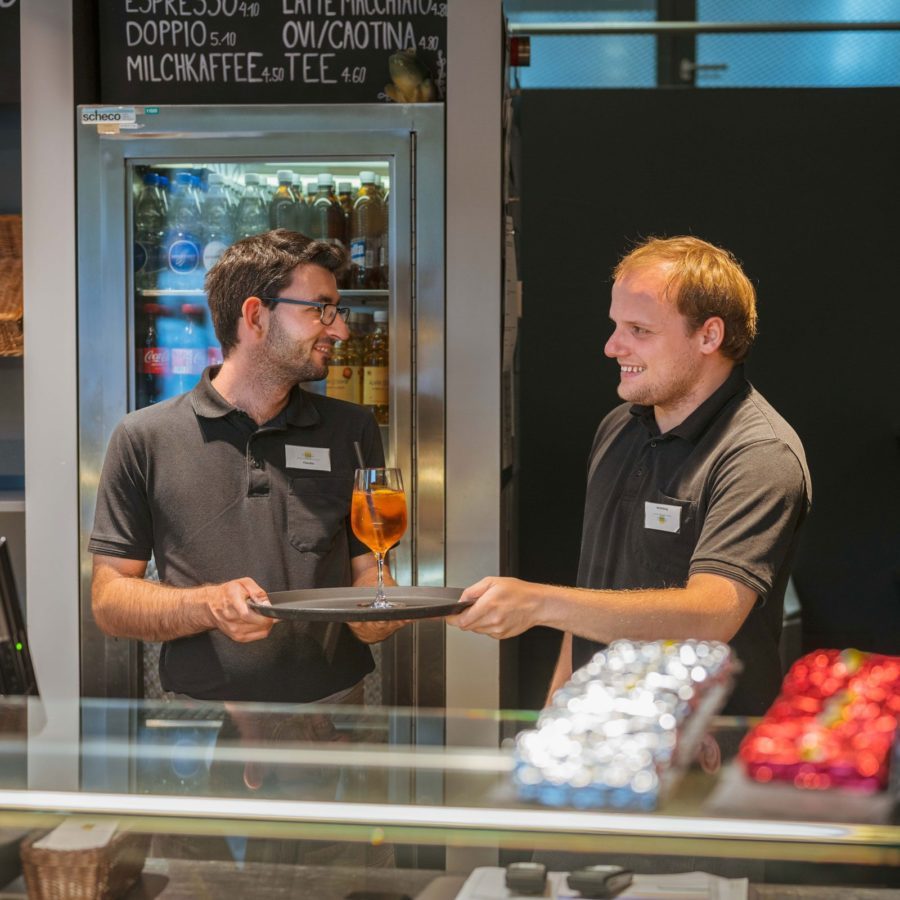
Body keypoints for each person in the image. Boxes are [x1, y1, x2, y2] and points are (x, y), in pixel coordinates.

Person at [453, 236, 811, 715]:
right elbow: (593, 592)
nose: (611, 347)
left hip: (702, 745)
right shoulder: (620, 425)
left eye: (639, 330)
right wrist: (556, 706)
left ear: (709, 336)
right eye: (615, 326)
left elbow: (713, 614)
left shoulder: (758, 453)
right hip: (600, 727)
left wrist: (537, 603)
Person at [90, 229, 405, 703]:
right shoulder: (144, 437)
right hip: (198, 718)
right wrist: (208, 605)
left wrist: (376, 611)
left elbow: (370, 569)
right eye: (320, 309)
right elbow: (110, 600)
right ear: (256, 316)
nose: (339, 329)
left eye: (336, 311)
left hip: (335, 712)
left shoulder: (352, 429)